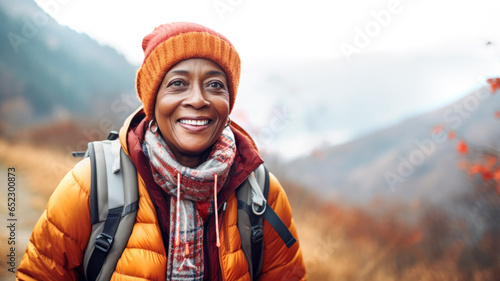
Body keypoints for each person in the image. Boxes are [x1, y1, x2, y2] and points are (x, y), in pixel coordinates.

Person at [16, 22, 306, 281]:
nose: (198, 99)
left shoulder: (261, 192)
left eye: (215, 85)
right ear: (151, 101)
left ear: (229, 101)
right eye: (177, 84)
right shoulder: (90, 185)